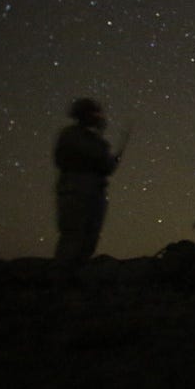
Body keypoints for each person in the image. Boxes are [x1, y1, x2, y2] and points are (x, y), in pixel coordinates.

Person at [53, 98, 127, 264]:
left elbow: (107, 167)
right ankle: (61, 281)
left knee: (89, 239)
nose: (98, 117)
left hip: (95, 193)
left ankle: (75, 279)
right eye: (93, 113)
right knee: (73, 237)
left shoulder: (96, 141)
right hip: (75, 190)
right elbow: (83, 158)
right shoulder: (70, 134)